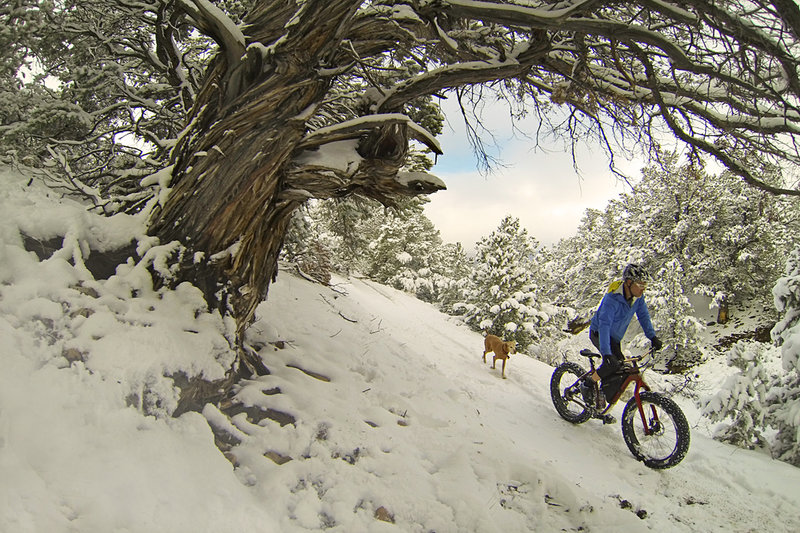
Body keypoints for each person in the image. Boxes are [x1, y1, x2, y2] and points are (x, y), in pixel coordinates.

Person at [585, 263, 662, 409]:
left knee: (620, 368)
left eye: (645, 285)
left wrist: (652, 337)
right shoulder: (612, 299)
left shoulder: (637, 298)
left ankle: (601, 392)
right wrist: (607, 353)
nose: (643, 288)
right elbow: (604, 325)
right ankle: (588, 383)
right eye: (640, 284)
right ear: (628, 282)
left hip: (615, 338)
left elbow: (644, 316)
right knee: (611, 364)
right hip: (600, 333)